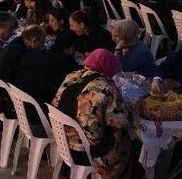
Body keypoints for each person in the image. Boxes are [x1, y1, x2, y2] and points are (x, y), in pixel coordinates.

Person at [52, 49, 131, 179]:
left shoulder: (72, 76)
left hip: (63, 140)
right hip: (87, 151)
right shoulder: (107, 87)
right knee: (127, 139)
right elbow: (120, 121)